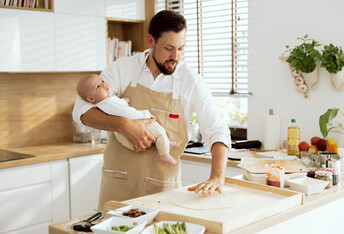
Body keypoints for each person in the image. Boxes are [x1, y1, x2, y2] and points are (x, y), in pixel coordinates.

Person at [73, 10, 231, 208]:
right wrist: (123, 125)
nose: (176, 56)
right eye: (169, 48)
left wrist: (217, 176)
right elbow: (81, 111)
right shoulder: (123, 68)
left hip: (162, 189)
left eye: (181, 49)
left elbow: (217, 130)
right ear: (150, 41)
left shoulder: (191, 82)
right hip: (118, 183)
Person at [77, 73, 180, 166]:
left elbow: (116, 107)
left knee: (153, 136)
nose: (104, 85)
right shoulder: (108, 102)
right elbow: (123, 110)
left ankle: (164, 144)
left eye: (102, 81)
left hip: (122, 138)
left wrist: (122, 101)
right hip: (138, 123)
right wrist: (139, 111)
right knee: (159, 131)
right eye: (98, 86)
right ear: (91, 99)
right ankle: (164, 154)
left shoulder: (104, 103)